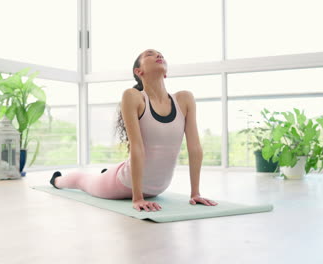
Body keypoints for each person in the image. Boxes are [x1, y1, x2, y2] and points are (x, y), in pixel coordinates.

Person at [49, 49, 218, 212]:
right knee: (83, 181)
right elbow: (137, 147)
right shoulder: (133, 96)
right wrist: (137, 197)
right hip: (126, 183)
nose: (158, 55)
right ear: (139, 71)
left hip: (158, 187)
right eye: (149, 54)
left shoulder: (184, 99)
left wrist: (195, 193)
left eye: (160, 54)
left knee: (105, 174)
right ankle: (56, 179)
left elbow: (195, 148)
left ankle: (107, 172)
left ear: (166, 73)